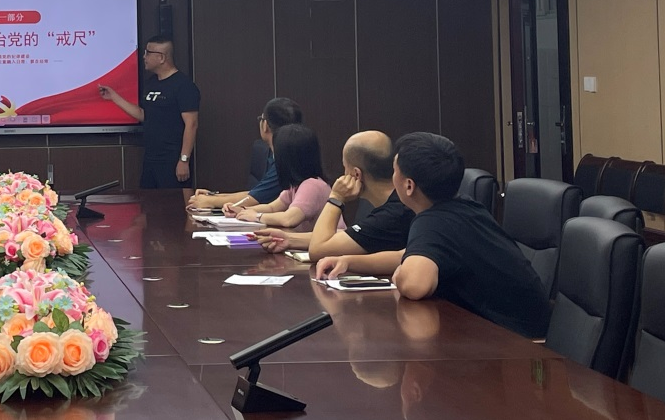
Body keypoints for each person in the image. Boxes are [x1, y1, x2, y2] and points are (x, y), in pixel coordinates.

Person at [315, 132, 551, 339]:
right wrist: (349, 262)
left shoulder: (432, 222)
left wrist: (402, 273)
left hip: (518, 345)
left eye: (395, 171)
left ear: (409, 186)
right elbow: (410, 254)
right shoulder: (463, 206)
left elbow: (415, 285)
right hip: (515, 330)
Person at [255, 130, 413, 260]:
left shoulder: (392, 214)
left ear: (356, 174)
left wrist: (336, 198)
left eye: (345, 167)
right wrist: (289, 239)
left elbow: (318, 250)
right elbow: (350, 236)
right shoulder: (397, 203)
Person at [98, 35, 199, 189]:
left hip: (173, 159)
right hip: (150, 157)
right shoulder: (151, 83)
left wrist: (184, 160)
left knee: (174, 202)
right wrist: (114, 97)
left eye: (148, 53)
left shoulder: (183, 86)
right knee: (148, 201)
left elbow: (191, 124)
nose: (144, 57)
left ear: (161, 58)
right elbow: (144, 114)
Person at [187, 97, 302, 210]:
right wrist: (214, 197)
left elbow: (253, 199)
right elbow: (256, 193)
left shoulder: (285, 162)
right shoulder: (288, 154)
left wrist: (210, 202)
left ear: (265, 125)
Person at [227, 124, 329, 231]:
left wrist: (257, 217)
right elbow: (272, 208)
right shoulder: (296, 185)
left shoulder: (312, 185)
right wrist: (242, 210)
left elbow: (289, 219)